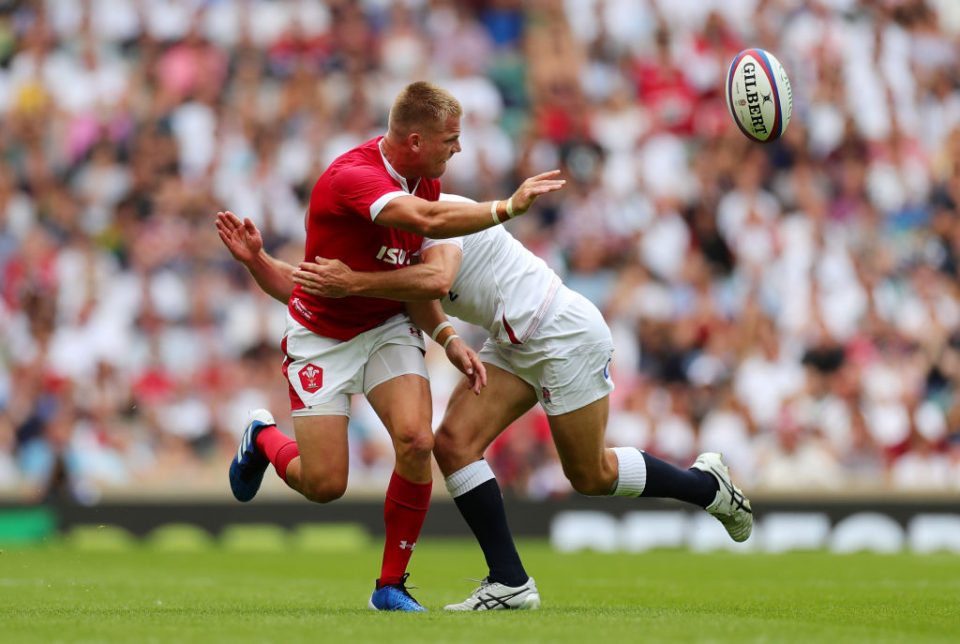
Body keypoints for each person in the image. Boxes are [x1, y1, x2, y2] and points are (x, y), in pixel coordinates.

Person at [221, 191, 753, 612]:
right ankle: (510, 581)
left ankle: (707, 486)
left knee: (590, 474)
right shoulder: (387, 242)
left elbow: (436, 278)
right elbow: (328, 287)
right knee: (452, 443)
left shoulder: (442, 213)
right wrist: (260, 260)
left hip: (562, 331)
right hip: (511, 341)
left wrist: (372, 290)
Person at [219, 81, 566, 612]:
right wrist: (507, 206)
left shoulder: (423, 179)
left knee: (416, 440)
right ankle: (262, 437)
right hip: (322, 339)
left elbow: (422, 286)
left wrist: (448, 338)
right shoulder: (352, 179)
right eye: (450, 139)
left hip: (386, 329)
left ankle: (389, 586)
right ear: (413, 140)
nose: (458, 149)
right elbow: (304, 285)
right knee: (325, 485)